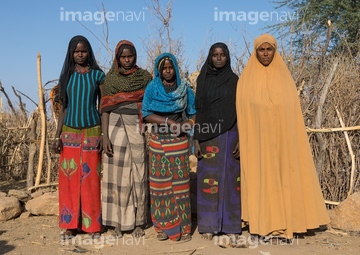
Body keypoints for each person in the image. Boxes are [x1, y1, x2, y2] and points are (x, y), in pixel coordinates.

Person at [236, 34, 330, 242]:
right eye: (262, 50)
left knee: (285, 178)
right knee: (263, 181)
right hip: (257, 143)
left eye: (269, 49)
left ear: (275, 51)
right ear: (255, 51)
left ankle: (291, 222)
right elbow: (242, 115)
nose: (266, 54)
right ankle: (265, 224)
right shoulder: (245, 80)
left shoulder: (285, 79)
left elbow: (292, 116)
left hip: (284, 142)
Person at [53, 35, 105, 239]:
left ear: (89, 52)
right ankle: (70, 225)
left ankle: (92, 226)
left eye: (83, 51)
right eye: (76, 51)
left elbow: (104, 106)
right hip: (69, 131)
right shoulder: (66, 76)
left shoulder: (98, 76)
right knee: (69, 179)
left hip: (92, 129)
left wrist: (103, 133)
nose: (80, 54)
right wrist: (57, 136)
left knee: (91, 179)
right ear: (71, 53)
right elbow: (63, 108)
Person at [141, 52, 196, 242]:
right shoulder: (152, 88)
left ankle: (184, 227)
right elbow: (146, 112)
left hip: (179, 141)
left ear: (175, 69)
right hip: (158, 139)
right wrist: (167, 122)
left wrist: (188, 123)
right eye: (164, 68)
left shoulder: (184, 88)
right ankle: (162, 227)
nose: (167, 71)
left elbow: (193, 112)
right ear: (158, 70)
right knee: (160, 186)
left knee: (180, 185)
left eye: (170, 67)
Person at [100, 40, 152, 238]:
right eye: (123, 57)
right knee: (116, 176)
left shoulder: (144, 77)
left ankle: (138, 222)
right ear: (117, 58)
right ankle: (116, 224)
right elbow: (104, 109)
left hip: (136, 127)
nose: (127, 60)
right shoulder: (110, 80)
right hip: (114, 126)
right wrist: (104, 136)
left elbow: (149, 102)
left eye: (130, 56)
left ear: (135, 56)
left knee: (138, 173)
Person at [193, 42, 242, 248]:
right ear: (210, 57)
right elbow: (198, 110)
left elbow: (240, 108)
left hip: (231, 132)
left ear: (228, 57)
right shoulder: (202, 80)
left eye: (222, 54)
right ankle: (208, 225)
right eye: (215, 55)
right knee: (208, 181)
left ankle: (230, 225)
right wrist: (195, 139)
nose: (219, 58)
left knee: (231, 180)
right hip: (207, 135)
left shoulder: (234, 80)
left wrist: (241, 136)